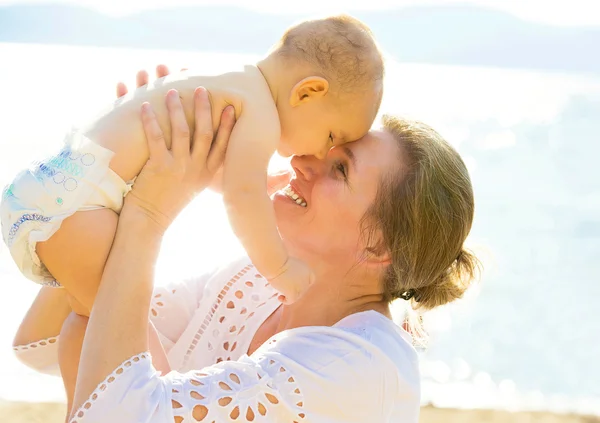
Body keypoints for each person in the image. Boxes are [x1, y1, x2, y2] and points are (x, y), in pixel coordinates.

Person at [13, 68, 479, 422]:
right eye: (322, 149)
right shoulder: (252, 284)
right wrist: (123, 180)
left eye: (340, 169)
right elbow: (41, 342)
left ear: (379, 248)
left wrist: (149, 215)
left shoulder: (361, 368)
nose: (300, 160)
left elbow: (116, 413)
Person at [0, 14, 384, 325]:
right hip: (81, 209)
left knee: (89, 324)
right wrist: (279, 268)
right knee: (122, 333)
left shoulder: (227, 79)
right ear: (307, 92)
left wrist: (251, 179)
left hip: (51, 185)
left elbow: (206, 162)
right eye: (331, 135)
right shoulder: (263, 115)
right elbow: (242, 198)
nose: (320, 151)